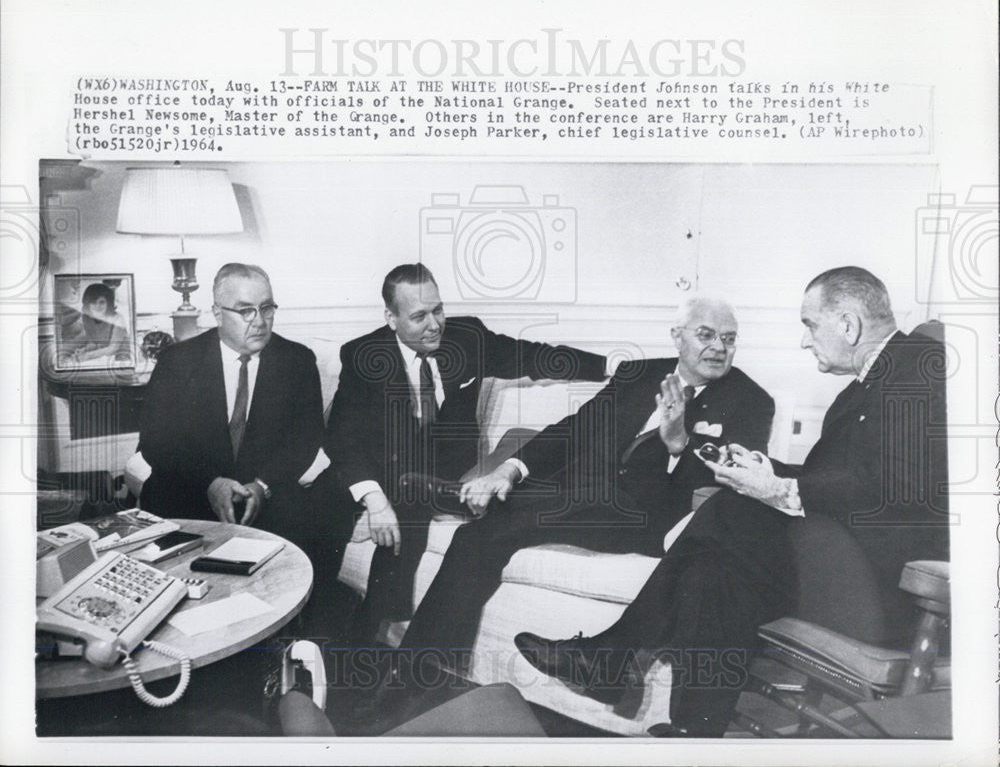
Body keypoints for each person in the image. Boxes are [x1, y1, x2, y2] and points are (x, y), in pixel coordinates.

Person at [514, 266, 950, 736]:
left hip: (895, 590)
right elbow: (839, 479)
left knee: (730, 509)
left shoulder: (924, 368)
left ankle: (611, 655)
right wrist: (763, 469)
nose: (805, 341)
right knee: (712, 572)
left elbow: (896, 491)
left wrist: (780, 489)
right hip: (848, 564)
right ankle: (693, 733)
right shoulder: (861, 390)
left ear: (848, 325)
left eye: (809, 325)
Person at [394, 297, 774, 672]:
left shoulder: (752, 401)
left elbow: (732, 486)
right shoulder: (639, 373)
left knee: (511, 520)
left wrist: (680, 445)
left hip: (641, 517)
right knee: (476, 537)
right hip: (582, 497)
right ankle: (422, 674)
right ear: (677, 336)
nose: (718, 348)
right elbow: (574, 429)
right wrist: (507, 469)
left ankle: (467, 502)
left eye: (729, 339)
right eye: (706, 335)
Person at [325, 263, 610, 646]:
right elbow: (343, 438)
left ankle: (365, 637)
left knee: (414, 496)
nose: (434, 325)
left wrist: (611, 367)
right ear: (390, 318)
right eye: (419, 316)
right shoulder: (363, 355)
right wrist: (374, 500)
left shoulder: (466, 336)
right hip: (385, 467)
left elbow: (533, 356)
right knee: (342, 503)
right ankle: (353, 631)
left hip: (447, 468)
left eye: (438, 310)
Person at [138, 263, 332, 572]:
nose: (259, 321)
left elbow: (306, 440)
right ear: (217, 314)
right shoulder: (178, 361)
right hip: (189, 492)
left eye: (267, 308)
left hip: (265, 499)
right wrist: (210, 483)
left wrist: (262, 485)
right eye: (245, 311)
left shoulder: (297, 360)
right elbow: (155, 443)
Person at [61, 282, 132, 363]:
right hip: (102, 355)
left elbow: (113, 348)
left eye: (102, 302)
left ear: (108, 303)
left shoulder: (118, 319)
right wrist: (84, 350)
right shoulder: (87, 318)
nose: (97, 306)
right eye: (93, 303)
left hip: (121, 357)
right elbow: (94, 342)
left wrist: (87, 355)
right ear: (88, 304)